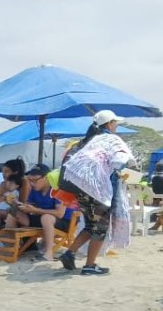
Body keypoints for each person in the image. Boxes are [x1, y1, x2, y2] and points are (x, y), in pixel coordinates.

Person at [57, 110, 136, 275]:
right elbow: (120, 161)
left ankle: (70, 253)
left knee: (91, 225)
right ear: (109, 124)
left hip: (81, 189)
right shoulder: (110, 140)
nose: (116, 126)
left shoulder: (86, 141)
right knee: (100, 228)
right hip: (98, 190)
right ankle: (89, 266)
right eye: (115, 123)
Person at [11, 164, 73, 261]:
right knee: (14, 213)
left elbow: (60, 213)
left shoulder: (57, 188)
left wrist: (36, 210)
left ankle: (49, 253)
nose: (32, 183)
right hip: (43, 219)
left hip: (64, 222)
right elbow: (30, 205)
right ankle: (11, 246)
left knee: (46, 217)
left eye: (35, 180)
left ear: (46, 178)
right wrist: (21, 205)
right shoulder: (34, 190)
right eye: (30, 180)